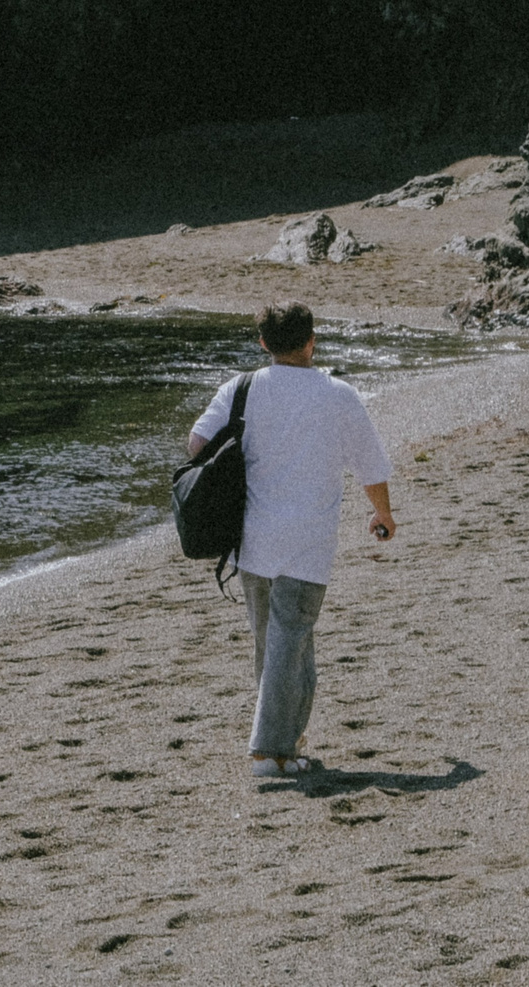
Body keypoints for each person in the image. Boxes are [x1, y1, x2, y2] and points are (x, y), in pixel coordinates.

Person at [185, 302, 396, 778]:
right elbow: (370, 463)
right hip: (308, 540)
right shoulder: (337, 394)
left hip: (253, 537)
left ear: (263, 343)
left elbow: (197, 445)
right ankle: (269, 751)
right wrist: (382, 513)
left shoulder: (241, 389)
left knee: (275, 643)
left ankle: (288, 744)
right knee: (291, 640)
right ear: (311, 340)